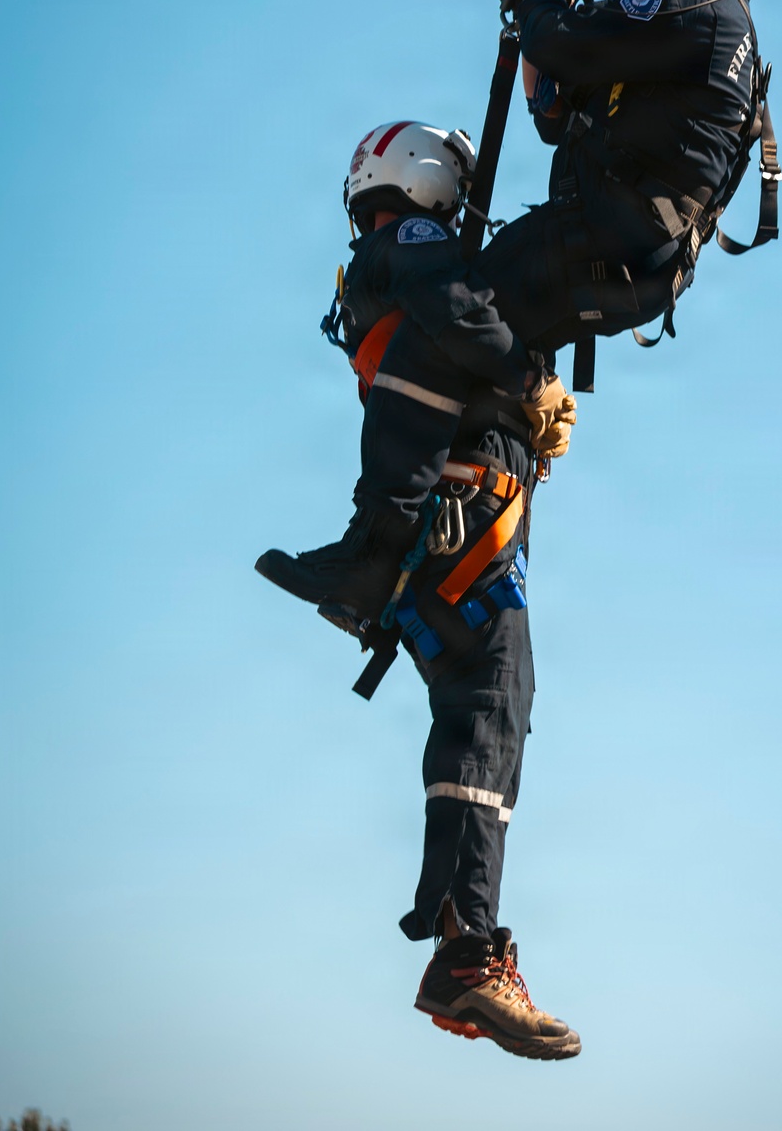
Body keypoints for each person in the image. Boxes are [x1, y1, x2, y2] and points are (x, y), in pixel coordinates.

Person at [260, 0, 774, 624]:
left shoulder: (696, 2)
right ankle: (424, 542)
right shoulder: (694, 21)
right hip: (632, 255)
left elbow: (567, 47)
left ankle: (372, 558)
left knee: (445, 319)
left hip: (604, 234)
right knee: (471, 342)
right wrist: (548, 10)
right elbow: (557, 110)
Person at [256, 123, 582, 1060]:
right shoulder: (416, 246)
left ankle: (463, 940)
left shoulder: (378, 261)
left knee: (486, 721)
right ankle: (467, 951)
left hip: (446, 543)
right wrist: (529, 383)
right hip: (461, 541)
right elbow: (459, 315)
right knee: (492, 708)